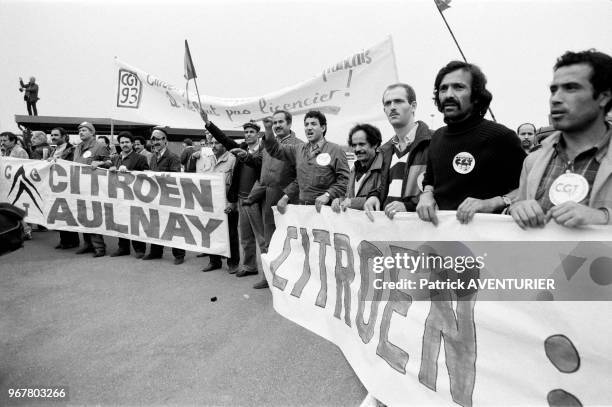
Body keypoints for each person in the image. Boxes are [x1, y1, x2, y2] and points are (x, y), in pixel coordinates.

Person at [509, 50, 612, 228]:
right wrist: (517, 208)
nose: (555, 99)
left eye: (571, 88)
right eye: (553, 90)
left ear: (603, 97)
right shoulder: (533, 161)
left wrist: (603, 217)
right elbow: (515, 209)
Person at [416, 61, 526, 225]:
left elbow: (530, 186)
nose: (448, 95)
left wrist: (492, 203)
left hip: (486, 242)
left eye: (458, 87)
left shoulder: (501, 136)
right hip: (443, 242)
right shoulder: (437, 137)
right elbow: (429, 182)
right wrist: (426, 195)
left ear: (476, 95)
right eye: (443, 88)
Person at [200, 109, 266, 278]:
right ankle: (250, 266)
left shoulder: (264, 151)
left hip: (257, 200)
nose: (248, 134)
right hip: (241, 199)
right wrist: (208, 124)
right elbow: (223, 139)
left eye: (252, 132)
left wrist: (247, 156)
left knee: (262, 239)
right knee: (245, 237)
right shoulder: (241, 147)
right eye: (246, 132)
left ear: (258, 135)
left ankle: (269, 273)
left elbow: (262, 169)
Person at [244, 110, 303, 289]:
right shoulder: (267, 144)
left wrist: (287, 196)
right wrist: (252, 197)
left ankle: (290, 281)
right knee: (269, 241)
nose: (277, 125)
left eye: (281, 122)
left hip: (287, 202)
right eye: (274, 122)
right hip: (267, 199)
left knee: (289, 243)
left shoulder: (298, 146)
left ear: (290, 124)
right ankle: (269, 277)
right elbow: (262, 171)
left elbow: (300, 177)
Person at [364, 83, 433, 220]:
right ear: (384, 110)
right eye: (388, 103)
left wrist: (409, 206)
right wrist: (374, 196)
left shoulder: (434, 142)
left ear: (413, 106)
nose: (393, 107)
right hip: (391, 232)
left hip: (421, 231)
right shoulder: (385, 150)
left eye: (399, 101)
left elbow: (444, 188)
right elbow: (383, 185)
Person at [262, 110, 349, 215]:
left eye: (313, 124)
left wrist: (327, 195)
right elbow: (275, 149)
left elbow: (345, 180)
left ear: (323, 128)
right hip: (303, 210)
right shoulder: (299, 149)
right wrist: (268, 129)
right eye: (306, 124)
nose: (309, 127)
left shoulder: (336, 150)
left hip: (326, 211)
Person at [192, 139, 239, 272]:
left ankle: (233, 263)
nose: (213, 146)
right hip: (210, 203)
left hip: (227, 202)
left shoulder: (232, 159)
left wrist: (233, 202)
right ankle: (214, 261)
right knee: (211, 232)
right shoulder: (208, 159)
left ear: (224, 144)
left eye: (216, 143)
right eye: (211, 143)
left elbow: (236, 183)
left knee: (231, 234)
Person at [100, 131, 150, 257]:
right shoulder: (115, 158)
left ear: (132, 143)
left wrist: (130, 172)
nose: (124, 144)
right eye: (122, 142)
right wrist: (110, 169)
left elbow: (145, 177)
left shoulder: (140, 158)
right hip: (119, 196)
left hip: (134, 196)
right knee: (121, 221)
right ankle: (123, 248)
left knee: (135, 223)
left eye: (127, 142)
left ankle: (139, 249)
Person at [142, 128, 186, 265]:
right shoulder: (153, 157)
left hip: (169, 197)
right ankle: (156, 251)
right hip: (156, 197)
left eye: (158, 139)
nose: (155, 142)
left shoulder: (173, 157)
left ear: (165, 141)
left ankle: (179, 255)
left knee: (173, 226)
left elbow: (175, 177)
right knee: (156, 224)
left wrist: (155, 176)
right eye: (153, 139)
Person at [332, 124, 388, 213]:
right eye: (354, 145)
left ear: (375, 144)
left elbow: (382, 198)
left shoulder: (384, 169)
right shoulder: (353, 170)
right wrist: (340, 201)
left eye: (362, 144)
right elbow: (349, 198)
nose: (357, 149)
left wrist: (353, 203)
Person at [73, 121, 109, 257]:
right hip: (79, 186)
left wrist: (100, 162)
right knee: (82, 216)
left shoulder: (99, 146)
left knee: (93, 216)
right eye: (80, 130)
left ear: (92, 132)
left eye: (84, 130)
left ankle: (99, 247)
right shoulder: (77, 147)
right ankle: (87, 244)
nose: (81, 132)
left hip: (94, 187)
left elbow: (110, 162)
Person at [49, 127, 80, 249]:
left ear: (64, 136)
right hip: (56, 185)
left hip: (68, 185)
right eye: (52, 135)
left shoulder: (72, 149)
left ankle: (73, 241)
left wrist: (57, 161)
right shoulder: (54, 150)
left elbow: (72, 164)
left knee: (69, 213)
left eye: (56, 135)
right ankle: (64, 240)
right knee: (60, 213)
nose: (53, 137)